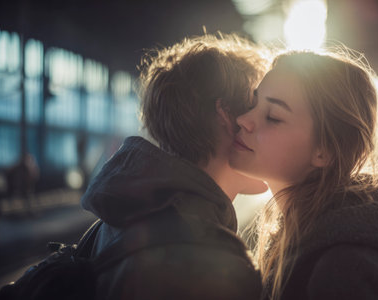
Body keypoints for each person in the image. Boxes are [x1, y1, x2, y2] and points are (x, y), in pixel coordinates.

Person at [229, 50, 378, 300]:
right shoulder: (311, 236)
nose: (244, 120)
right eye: (252, 104)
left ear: (325, 151)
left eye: (273, 117)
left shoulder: (344, 269)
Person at [80, 33, 273, 299]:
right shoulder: (208, 261)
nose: (268, 129)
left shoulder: (113, 221)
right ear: (226, 116)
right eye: (258, 109)